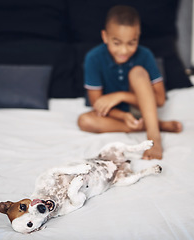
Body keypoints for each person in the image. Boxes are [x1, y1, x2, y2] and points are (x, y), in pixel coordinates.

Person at [77, 5, 182, 160]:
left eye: (131, 43)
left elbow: (159, 100)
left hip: (143, 110)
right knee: (84, 121)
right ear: (105, 37)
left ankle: (154, 136)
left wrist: (121, 96)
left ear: (138, 37)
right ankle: (158, 124)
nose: (124, 51)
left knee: (137, 72)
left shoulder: (145, 55)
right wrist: (123, 116)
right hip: (112, 114)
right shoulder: (93, 58)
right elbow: (97, 103)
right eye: (117, 43)